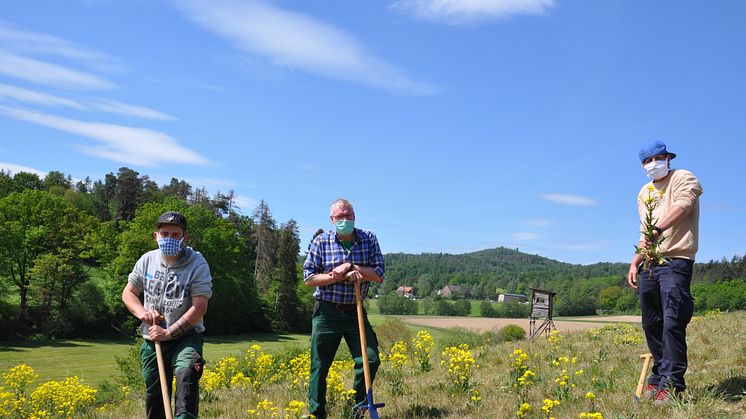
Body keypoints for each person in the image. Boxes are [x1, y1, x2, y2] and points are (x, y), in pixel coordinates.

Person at [627, 141, 703, 404]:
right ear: (642, 166)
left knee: (673, 321)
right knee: (652, 323)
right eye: (648, 160)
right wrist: (635, 260)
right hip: (649, 262)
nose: (654, 164)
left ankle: (672, 384)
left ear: (668, 159)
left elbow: (682, 207)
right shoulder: (644, 192)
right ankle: (659, 376)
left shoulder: (683, 178)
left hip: (675, 259)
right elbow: (644, 230)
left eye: (659, 158)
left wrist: (657, 231)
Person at [122, 211, 213, 419]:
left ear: (184, 237)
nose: (169, 239)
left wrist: (169, 332)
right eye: (165, 234)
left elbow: (200, 307)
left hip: (186, 336)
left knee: (187, 378)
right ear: (156, 236)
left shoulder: (197, 264)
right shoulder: (147, 261)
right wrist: (143, 313)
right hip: (153, 338)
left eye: (175, 234)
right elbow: (128, 293)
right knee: (155, 394)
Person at [303, 199, 385, 419]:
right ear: (332, 220)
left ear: (354, 216)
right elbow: (309, 278)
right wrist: (335, 275)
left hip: (354, 310)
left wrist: (351, 266)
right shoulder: (321, 241)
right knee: (319, 365)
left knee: (370, 359)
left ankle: (357, 408)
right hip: (327, 312)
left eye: (348, 215)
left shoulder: (368, 238)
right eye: (340, 217)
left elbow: (378, 274)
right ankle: (316, 412)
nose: (344, 220)